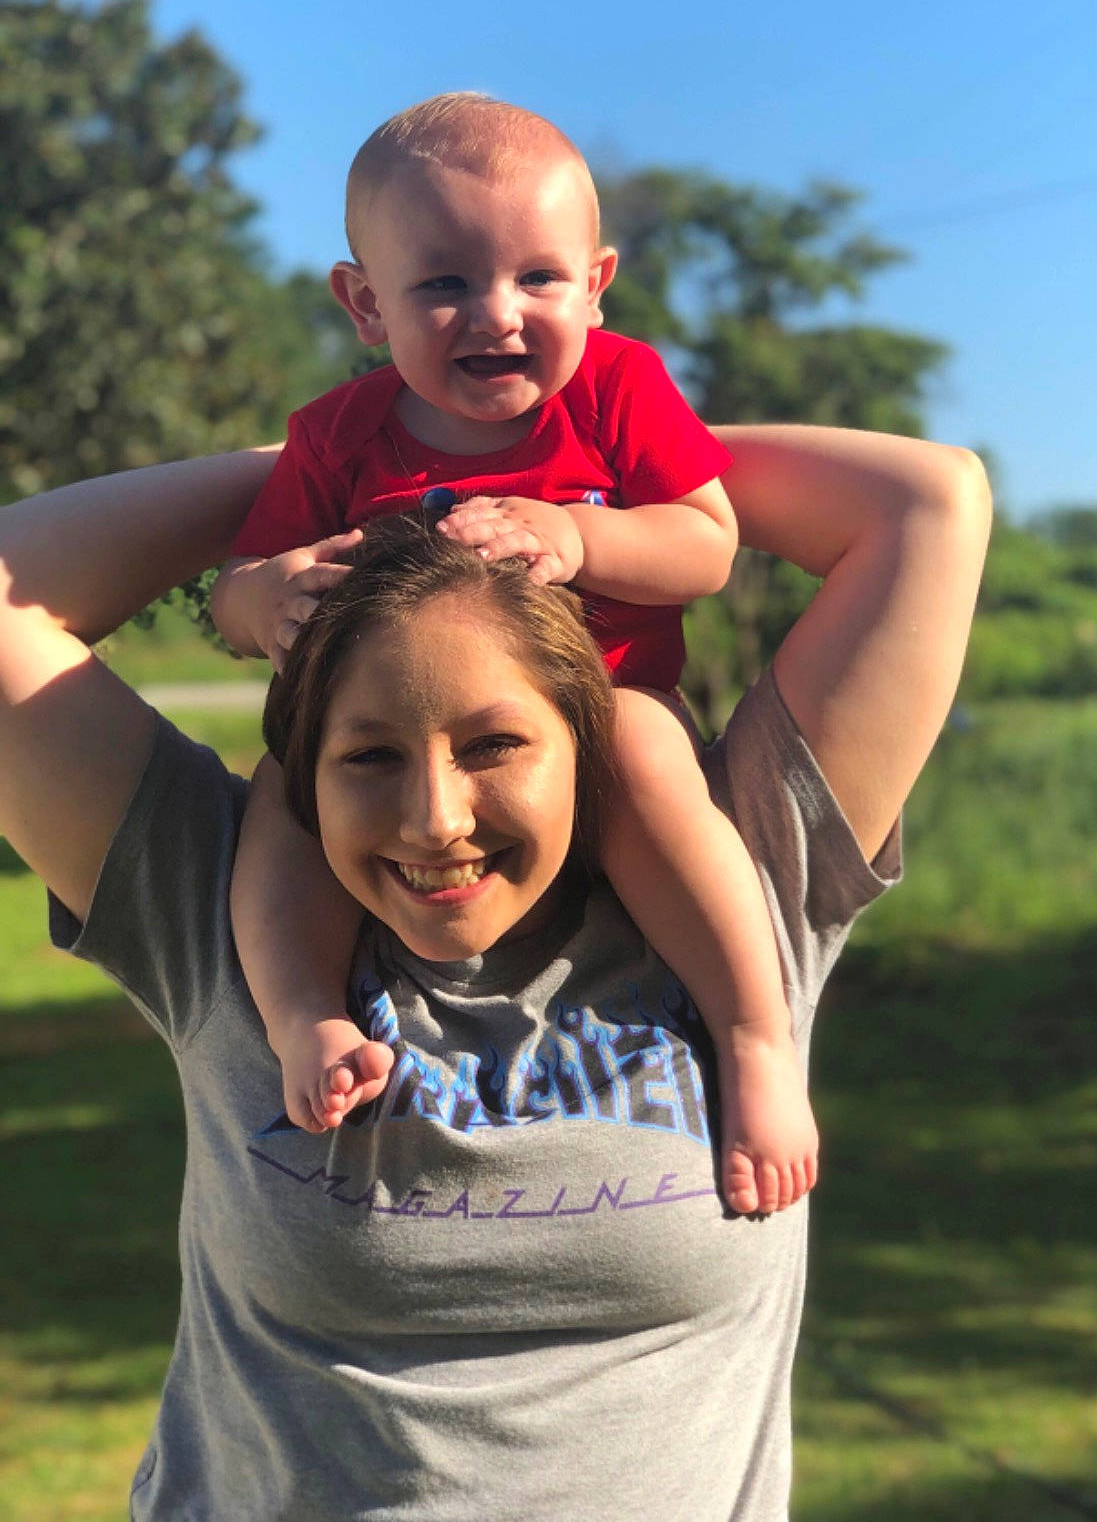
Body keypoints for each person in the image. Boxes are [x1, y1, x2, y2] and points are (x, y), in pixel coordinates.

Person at [0, 424, 988, 1521]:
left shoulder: (736, 895)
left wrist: (525, 452)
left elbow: (926, 506)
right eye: (368, 754)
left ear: (587, 737)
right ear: (305, 774)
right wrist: (340, 449)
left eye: (494, 744)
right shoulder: (228, 913)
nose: (435, 819)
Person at [213, 91, 813, 1214]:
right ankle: (307, 1016)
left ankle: (757, 1035)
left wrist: (582, 533)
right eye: (441, 283)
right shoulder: (336, 436)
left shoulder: (617, 388)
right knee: (285, 784)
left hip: (603, 720)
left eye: (538, 277)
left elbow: (707, 543)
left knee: (639, 736)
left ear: (597, 283)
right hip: (402, 747)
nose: (495, 312)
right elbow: (241, 586)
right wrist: (270, 600)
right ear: (363, 303)